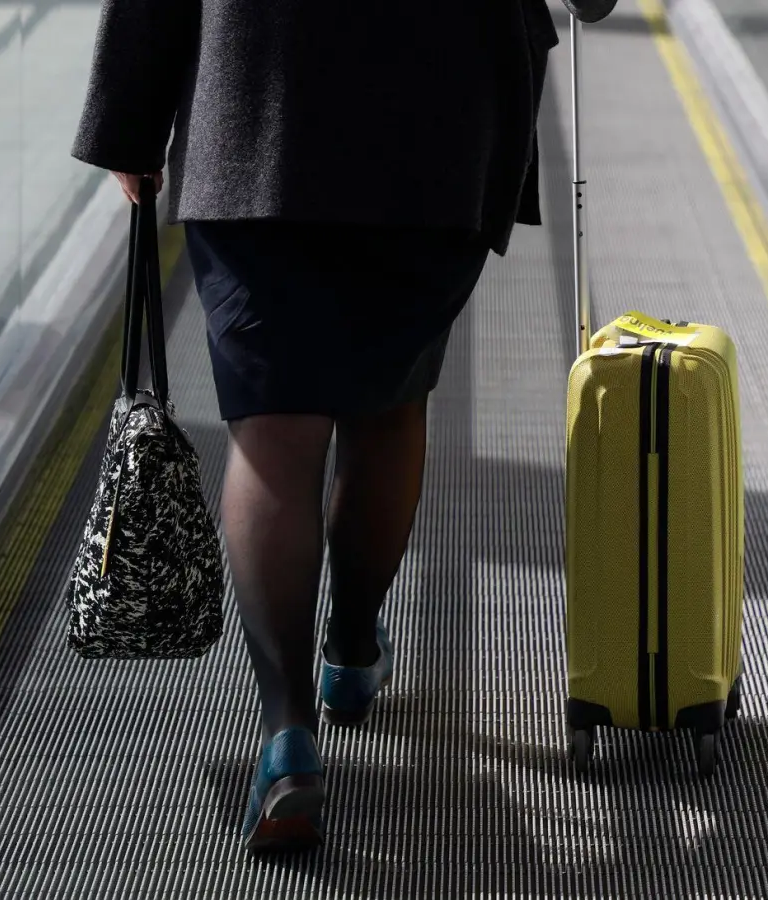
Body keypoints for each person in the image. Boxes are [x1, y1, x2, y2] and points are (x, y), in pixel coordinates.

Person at [70, 0, 612, 854]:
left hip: (256, 98)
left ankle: (287, 737)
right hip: (439, 109)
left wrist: (128, 116)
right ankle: (353, 652)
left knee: (274, 431)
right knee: (390, 404)